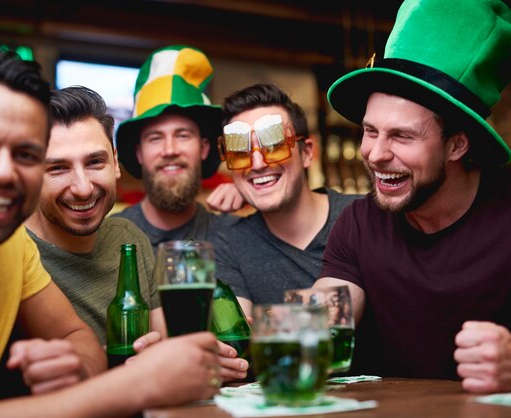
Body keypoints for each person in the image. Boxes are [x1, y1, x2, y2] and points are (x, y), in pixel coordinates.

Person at [0, 47, 221, 416]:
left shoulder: (8, 243)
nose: (1, 172)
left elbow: (74, 336)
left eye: (24, 154)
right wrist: (138, 383)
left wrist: (73, 364)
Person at [314, 0, 511, 393]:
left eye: (402, 136)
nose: (375, 153)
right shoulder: (357, 222)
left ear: (456, 145)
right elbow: (326, 315)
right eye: (370, 131)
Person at [24, 86, 164, 346]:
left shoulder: (128, 239)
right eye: (57, 168)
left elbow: (165, 346)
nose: (83, 188)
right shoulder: (12, 253)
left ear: (115, 162)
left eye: (95, 163)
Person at [211, 83, 359, 316]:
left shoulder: (361, 217)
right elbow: (235, 342)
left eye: (274, 146)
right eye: (240, 153)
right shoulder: (228, 245)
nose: (258, 164)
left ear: (307, 152)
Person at [113, 45, 238, 256]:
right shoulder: (109, 240)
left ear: (204, 148)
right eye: (155, 138)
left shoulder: (235, 235)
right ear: (139, 154)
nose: (169, 150)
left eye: (182, 135)